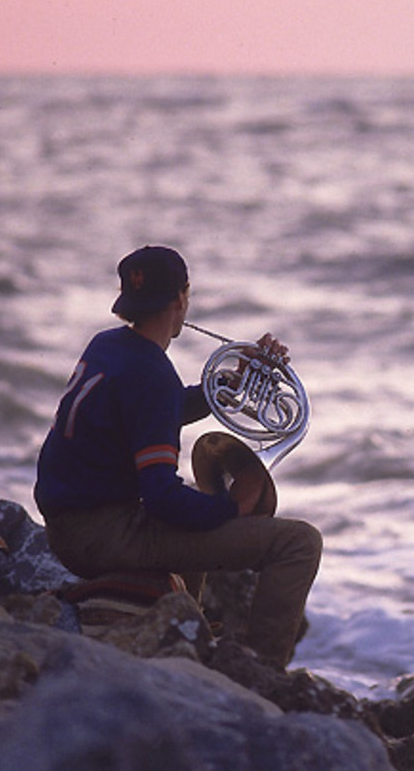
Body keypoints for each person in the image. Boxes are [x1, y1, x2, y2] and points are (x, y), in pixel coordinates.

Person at [34, 245, 322, 668]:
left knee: (192, 512)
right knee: (299, 543)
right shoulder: (151, 374)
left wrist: (230, 384)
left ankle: (187, 634)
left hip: (66, 525)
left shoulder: (109, 346)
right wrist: (231, 506)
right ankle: (263, 673)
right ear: (181, 300)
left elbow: (148, 410)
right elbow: (161, 496)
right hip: (101, 536)